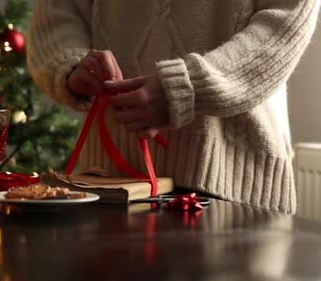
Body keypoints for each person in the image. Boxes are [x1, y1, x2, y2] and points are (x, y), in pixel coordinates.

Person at [26, 0, 320, 213]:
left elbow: (286, 19)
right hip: (110, 185)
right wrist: (73, 65)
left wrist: (187, 87)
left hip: (236, 185)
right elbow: (58, 12)